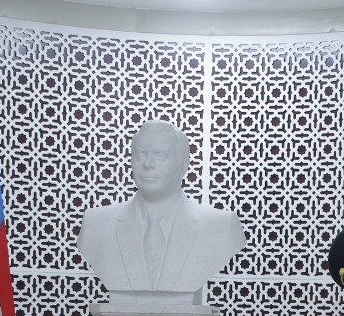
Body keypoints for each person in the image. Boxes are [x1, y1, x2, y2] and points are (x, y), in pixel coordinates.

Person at [76, 119, 246, 295]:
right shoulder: (95, 223)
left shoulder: (222, 226)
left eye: (160, 155)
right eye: (140, 154)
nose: (148, 164)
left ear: (184, 165)